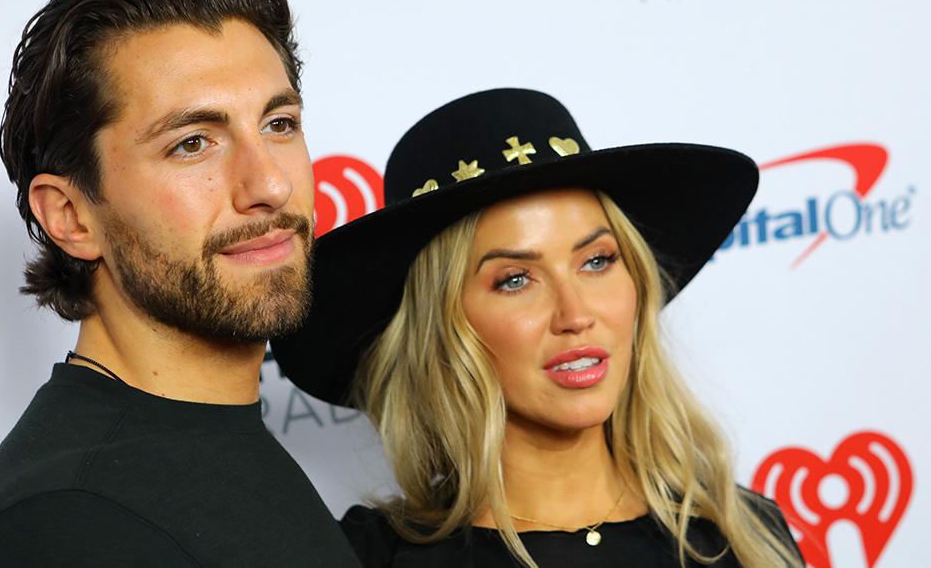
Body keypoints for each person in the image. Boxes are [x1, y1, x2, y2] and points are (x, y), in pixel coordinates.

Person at [0, 0, 360, 567]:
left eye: (278, 123)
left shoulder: (209, 438)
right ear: (71, 216)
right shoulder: (64, 528)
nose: (269, 185)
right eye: (193, 143)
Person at [271, 88, 805, 567]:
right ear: (441, 325)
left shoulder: (743, 535)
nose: (575, 314)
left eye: (597, 261)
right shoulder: (363, 559)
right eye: (515, 279)